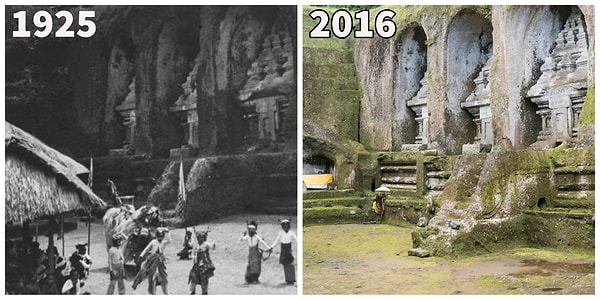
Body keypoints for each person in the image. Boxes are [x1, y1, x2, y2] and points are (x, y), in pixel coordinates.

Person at [132, 227, 171, 294]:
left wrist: (168, 232)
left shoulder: (163, 242)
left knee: (164, 278)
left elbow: (169, 240)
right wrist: (141, 256)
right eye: (159, 235)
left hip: (160, 262)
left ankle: (166, 293)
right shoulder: (153, 242)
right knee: (146, 272)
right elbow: (146, 249)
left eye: (161, 236)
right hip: (152, 261)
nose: (160, 237)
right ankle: (139, 282)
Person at [269, 218, 297, 284]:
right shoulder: (280, 233)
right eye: (284, 226)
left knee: (291, 263)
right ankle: (287, 279)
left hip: (289, 249)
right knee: (285, 264)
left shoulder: (291, 233)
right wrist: (271, 247)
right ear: (282, 227)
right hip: (283, 249)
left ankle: (292, 279)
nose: (286, 227)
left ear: (289, 226)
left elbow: (296, 239)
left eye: (287, 226)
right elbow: (276, 241)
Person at [188, 229, 216, 295]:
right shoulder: (196, 244)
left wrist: (213, 245)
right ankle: (192, 291)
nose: (200, 238)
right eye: (199, 237)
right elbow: (192, 250)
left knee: (204, 278)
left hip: (204, 265)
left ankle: (204, 292)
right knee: (193, 277)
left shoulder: (206, 244)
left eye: (202, 237)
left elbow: (212, 247)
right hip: (196, 264)